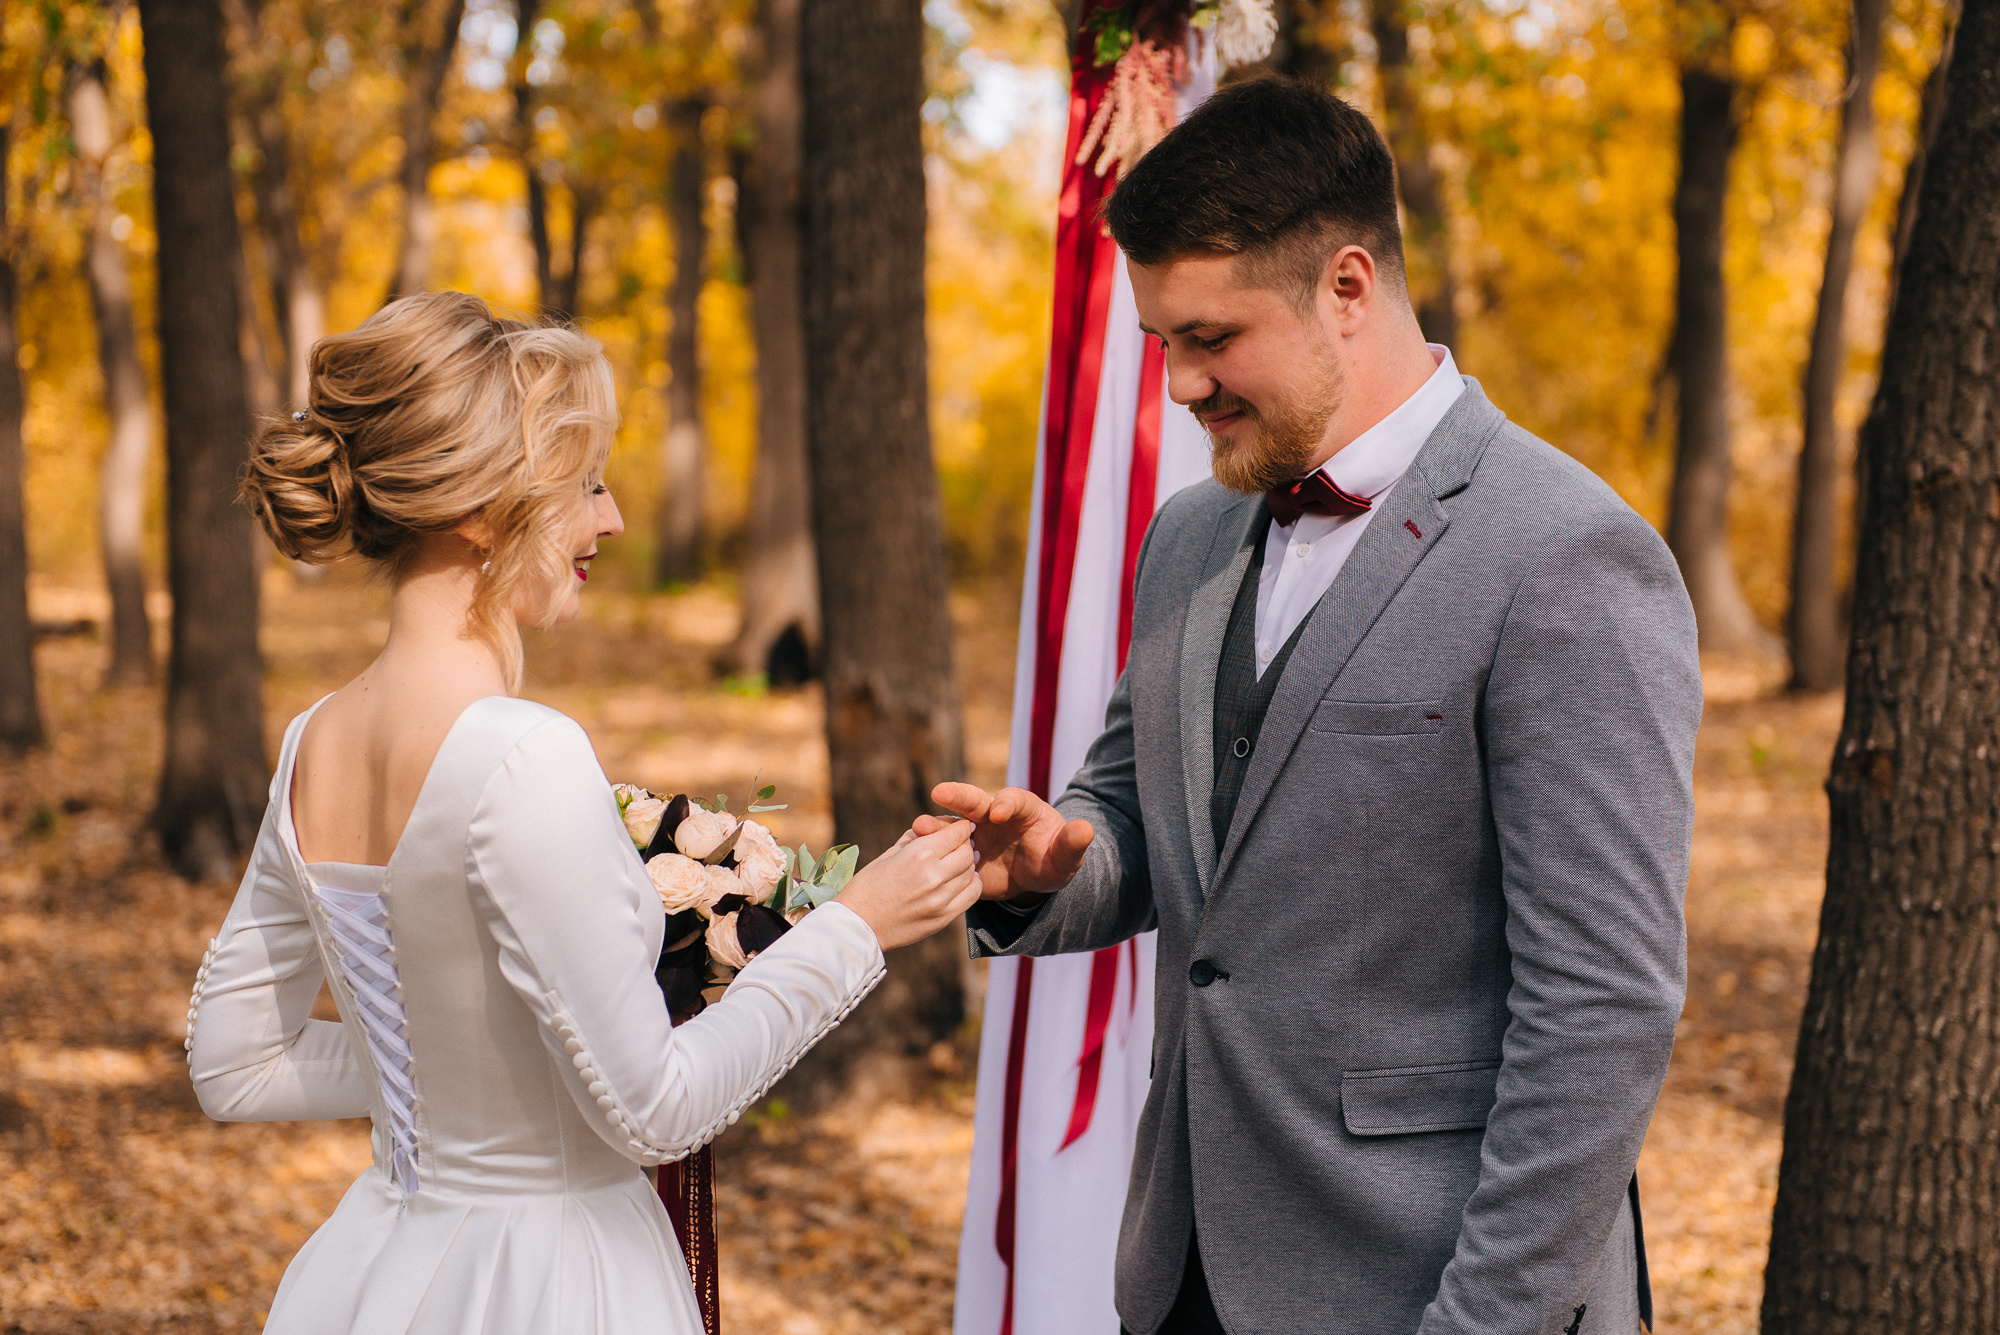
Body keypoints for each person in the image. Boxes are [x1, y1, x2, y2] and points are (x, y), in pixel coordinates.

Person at [924, 79, 1700, 1335]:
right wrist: (1049, 870)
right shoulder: (1187, 536)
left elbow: (1603, 1007)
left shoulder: (1567, 556)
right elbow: (1139, 816)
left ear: (1346, 287)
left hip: (1430, 1286)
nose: (1180, 386)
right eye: (1161, 343)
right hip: (1182, 1263)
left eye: (1211, 339)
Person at [187, 291, 980, 1334]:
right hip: (546, 1284)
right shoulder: (521, 753)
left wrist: (463, 1099)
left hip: (376, 1273)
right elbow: (656, 1110)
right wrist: (855, 926)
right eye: (583, 483)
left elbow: (234, 1062)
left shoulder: (313, 742)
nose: (608, 518)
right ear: (479, 507)